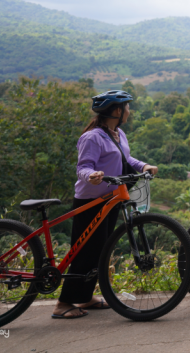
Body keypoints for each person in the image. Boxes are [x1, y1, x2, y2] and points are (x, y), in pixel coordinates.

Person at [53, 90, 157, 320]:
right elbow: (83, 167)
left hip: (111, 200)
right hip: (91, 201)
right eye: (127, 107)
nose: (130, 111)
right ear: (117, 111)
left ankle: (85, 296)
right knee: (85, 251)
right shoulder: (92, 137)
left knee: (100, 250)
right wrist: (92, 175)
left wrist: (144, 166)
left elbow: (126, 160)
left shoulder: (118, 134)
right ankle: (63, 303)